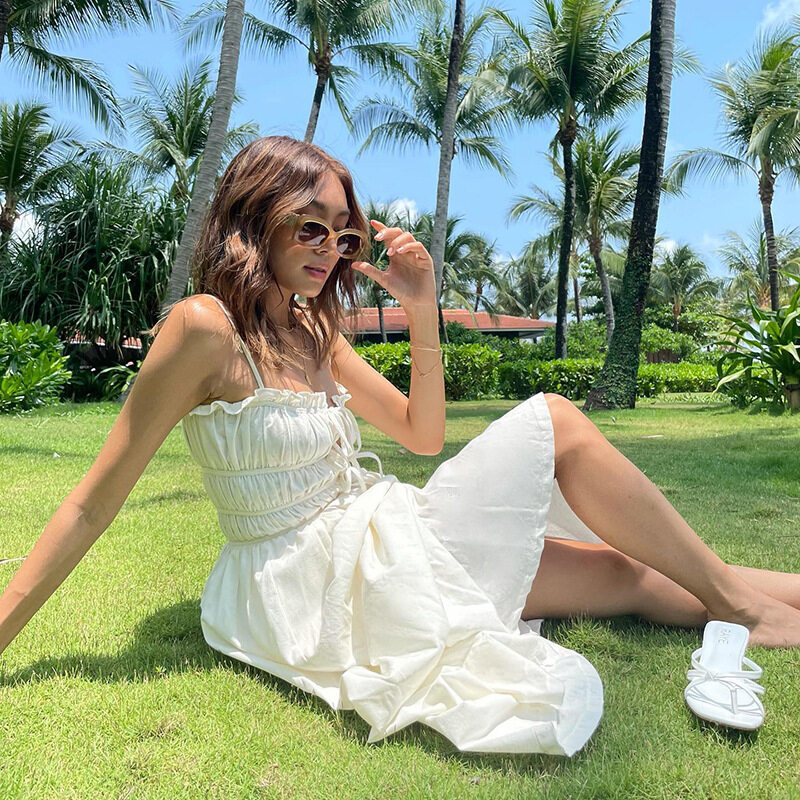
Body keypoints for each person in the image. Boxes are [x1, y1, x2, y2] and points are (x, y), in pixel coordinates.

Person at [1, 135, 799, 758]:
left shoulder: (313, 328)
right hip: (311, 582)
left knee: (621, 572)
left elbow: (422, 434)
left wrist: (421, 308)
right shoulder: (203, 328)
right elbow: (92, 504)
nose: (329, 249)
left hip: (383, 531)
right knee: (558, 420)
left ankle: (754, 604)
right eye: (311, 227)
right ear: (254, 218)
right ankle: (738, 608)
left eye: (344, 236)